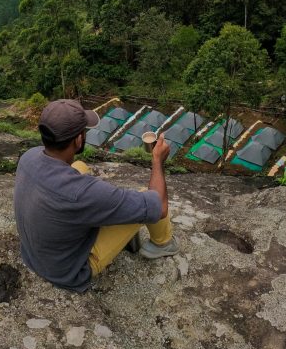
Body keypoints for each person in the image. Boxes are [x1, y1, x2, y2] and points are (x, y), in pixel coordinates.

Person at [14, 98, 179, 292]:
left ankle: (119, 222)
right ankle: (164, 244)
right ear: (78, 140)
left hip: (34, 254)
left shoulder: (29, 156)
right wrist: (157, 160)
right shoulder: (83, 193)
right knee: (147, 195)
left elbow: (69, 189)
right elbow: (159, 206)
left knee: (79, 167)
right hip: (69, 271)